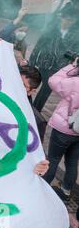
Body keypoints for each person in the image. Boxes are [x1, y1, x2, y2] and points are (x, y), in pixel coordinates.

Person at [29, 5, 79, 112]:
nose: (69, 22)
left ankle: (34, 110)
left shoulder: (75, 34)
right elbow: (39, 44)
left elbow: (75, 50)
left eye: (72, 20)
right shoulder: (52, 28)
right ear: (62, 17)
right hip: (46, 62)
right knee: (40, 85)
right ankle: (33, 108)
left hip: (60, 66)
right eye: (67, 19)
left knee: (46, 87)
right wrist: (32, 61)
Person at [42, 57, 79, 201]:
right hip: (78, 132)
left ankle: (42, 187)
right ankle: (66, 192)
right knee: (72, 161)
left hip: (65, 128)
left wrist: (72, 65)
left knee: (53, 159)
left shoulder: (75, 82)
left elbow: (53, 81)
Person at [19, 65, 47, 142]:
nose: (15, 86)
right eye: (15, 81)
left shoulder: (36, 121)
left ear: (31, 91)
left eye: (21, 85)